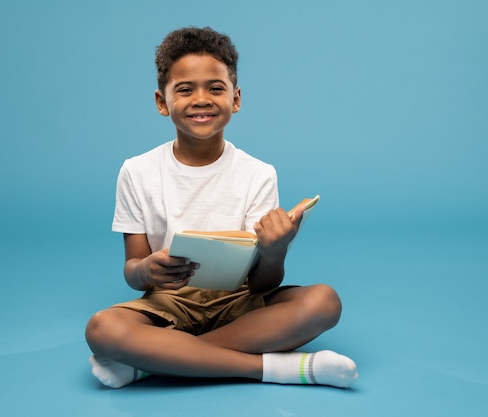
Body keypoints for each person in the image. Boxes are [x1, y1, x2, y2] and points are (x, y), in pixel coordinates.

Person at [85, 26, 358, 389]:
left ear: (236, 98)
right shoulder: (136, 172)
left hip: (238, 304)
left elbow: (263, 283)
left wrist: (275, 252)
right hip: (169, 304)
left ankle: (152, 363)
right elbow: (132, 271)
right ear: (162, 102)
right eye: (185, 89)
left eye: (216, 88)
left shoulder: (258, 173)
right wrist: (148, 270)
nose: (202, 99)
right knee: (103, 328)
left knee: (324, 301)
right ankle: (278, 369)